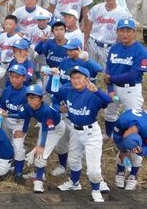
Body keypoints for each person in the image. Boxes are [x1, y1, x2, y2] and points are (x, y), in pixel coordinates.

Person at [53, 66, 112, 203]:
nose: (75, 81)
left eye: (79, 78)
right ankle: (74, 183)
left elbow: (109, 101)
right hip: (75, 130)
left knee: (93, 169)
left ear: (87, 80)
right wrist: (58, 108)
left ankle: (96, 190)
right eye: (73, 78)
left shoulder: (93, 93)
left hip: (91, 132)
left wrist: (97, 91)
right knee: (73, 160)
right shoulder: (67, 90)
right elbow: (54, 96)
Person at [8, 85, 67, 193]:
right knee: (38, 153)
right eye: (29, 98)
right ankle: (40, 173)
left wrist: (41, 145)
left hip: (56, 129)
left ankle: (38, 182)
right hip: (45, 127)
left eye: (34, 98)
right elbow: (24, 116)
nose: (31, 100)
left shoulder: (46, 110)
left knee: (41, 153)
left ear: (41, 99)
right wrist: (8, 115)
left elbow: (46, 130)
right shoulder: (28, 106)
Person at [103, 19, 147, 137]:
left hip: (131, 90)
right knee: (110, 113)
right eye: (122, 30)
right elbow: (108, 70)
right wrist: (110, 90)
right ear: (117, 32)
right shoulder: (114, 48)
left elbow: (133, 74)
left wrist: (111, 79)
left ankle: (135, 143)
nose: (125, 34)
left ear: (134, 33)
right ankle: (110, 136)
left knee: (133, 117)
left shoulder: (140, 50)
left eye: (128, 31)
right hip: (115, 89)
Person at [84, 0, 131, 66]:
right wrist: (85, 41)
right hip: (93, 43)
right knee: (90, 69)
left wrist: (118, 47)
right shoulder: (96, 8)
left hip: (109, 46)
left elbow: (122, 32)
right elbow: (89, 25)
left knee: (109, 71)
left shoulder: (123, 13)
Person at [0, 64, 29, 183]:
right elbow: (2, 105)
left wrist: (24, 130)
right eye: (12, 76)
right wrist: (0, 111)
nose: (14, 79)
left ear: (24, 78)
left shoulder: (26, 93)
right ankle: (9, 164)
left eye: (17, 77)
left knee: (18, 146)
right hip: (7, 119)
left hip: (20, 122)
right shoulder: (7, 90)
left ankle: (19, 172)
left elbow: (27, 114)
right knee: (6, 143)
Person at [111, 109, 147, 190]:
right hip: (128, 115)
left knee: (137, 156)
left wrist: (141, 151)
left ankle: (133, 175)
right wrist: (123, 152)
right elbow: (116, 138)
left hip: (143, 119)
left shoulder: (146, 131)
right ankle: (120, 171)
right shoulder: (120, 123)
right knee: (122, 152)